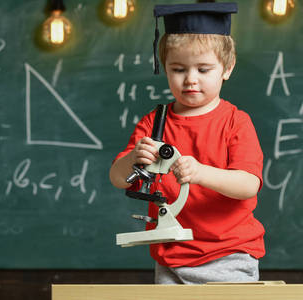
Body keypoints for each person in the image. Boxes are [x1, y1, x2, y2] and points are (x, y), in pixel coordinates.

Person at [109, 2, 265, 284]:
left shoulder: (236, 123)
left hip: (229, 255)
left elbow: (248, 185)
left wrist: (200, 173)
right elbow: (118, 178)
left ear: (227, 68)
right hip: (171, 256)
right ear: (165, 68)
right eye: (178, 69)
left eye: (203, 70)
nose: (190, 79)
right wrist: (134, 157)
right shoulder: (153, 124)